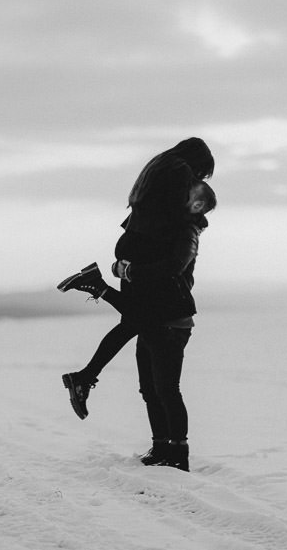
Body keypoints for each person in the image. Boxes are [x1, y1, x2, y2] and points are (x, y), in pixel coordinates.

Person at [58, 180, 217, 471]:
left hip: (172, 321)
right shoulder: (170, 226)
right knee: (149, 389)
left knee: (168, 389)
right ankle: (160, 448)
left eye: (187, 193)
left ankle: (179, 455)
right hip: (156, 315)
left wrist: (130, 270)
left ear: (197, 205)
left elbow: (173, 267)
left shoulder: (187, 232)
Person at [58, 138, 214, 415]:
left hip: (132, 241)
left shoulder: (158, 164)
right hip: (147, 247)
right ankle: (84, 374)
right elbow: (175, 212)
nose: (198, 180)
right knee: (137, 319)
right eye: (202, 174)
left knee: (134, 318)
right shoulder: (179, 170)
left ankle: (85, 375)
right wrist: (196, 224)